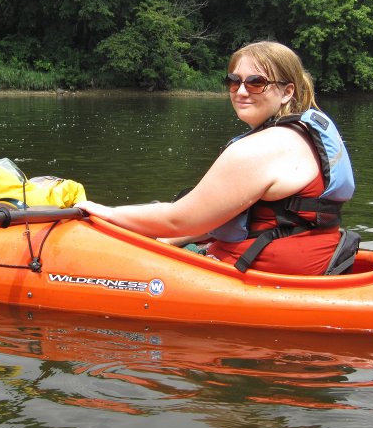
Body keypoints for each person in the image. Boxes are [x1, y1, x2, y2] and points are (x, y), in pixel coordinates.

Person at [76, 41, 355, 275]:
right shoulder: (302, 132)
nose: (242, 91)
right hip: (312, 265)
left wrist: (105, 212)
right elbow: (209, 221)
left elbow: (179, 220)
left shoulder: (263, 148)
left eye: (257, 82)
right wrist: (161, 240)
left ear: (287, 91)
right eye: (234, 82)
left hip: (258, 275)